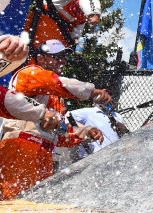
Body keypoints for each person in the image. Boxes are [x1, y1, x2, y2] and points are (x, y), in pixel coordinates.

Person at [0, 39, 109, 199]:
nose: (63, 60)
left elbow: (59, 134)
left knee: (35, 207)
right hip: (20, 148)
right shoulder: (28, 73)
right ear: (41, 59)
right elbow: (53, 81)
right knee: (12, 203)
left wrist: (85, 132)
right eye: (57, 56)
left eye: (64, 56)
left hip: (43, 155)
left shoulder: (54, 96)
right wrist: (92, 91)